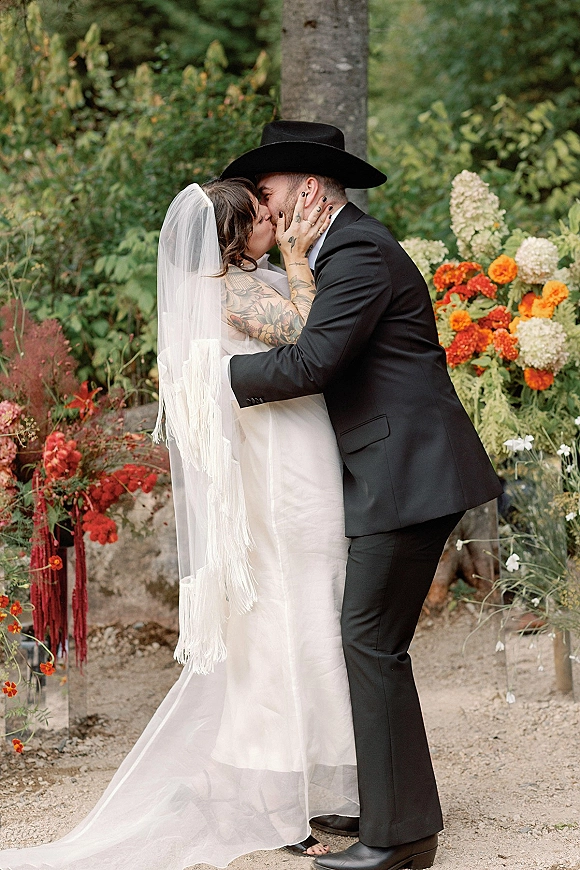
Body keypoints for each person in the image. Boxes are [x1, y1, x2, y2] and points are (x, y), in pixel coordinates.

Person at [0, 179, 359, 870]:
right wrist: (298, 260)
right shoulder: (231, 289)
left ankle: (304, 779)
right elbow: (312, 338)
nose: (275, 219)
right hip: (280, 470)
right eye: (262, 216)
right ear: (234, 236)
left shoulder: (237, 281)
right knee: (286, 619)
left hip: (293, 454)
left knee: (306, 612)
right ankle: (272, 798)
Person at [220, 120, 504, 870]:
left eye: (269, 192)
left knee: (370, 643)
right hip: (399, 471)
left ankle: (400, 838)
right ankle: (389, 809)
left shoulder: (358, 253)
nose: (263, 207)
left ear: (309, 187)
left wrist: (211, 378)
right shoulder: (336, 253)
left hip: (409, 474)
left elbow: (311, 362)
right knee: (373, 644)